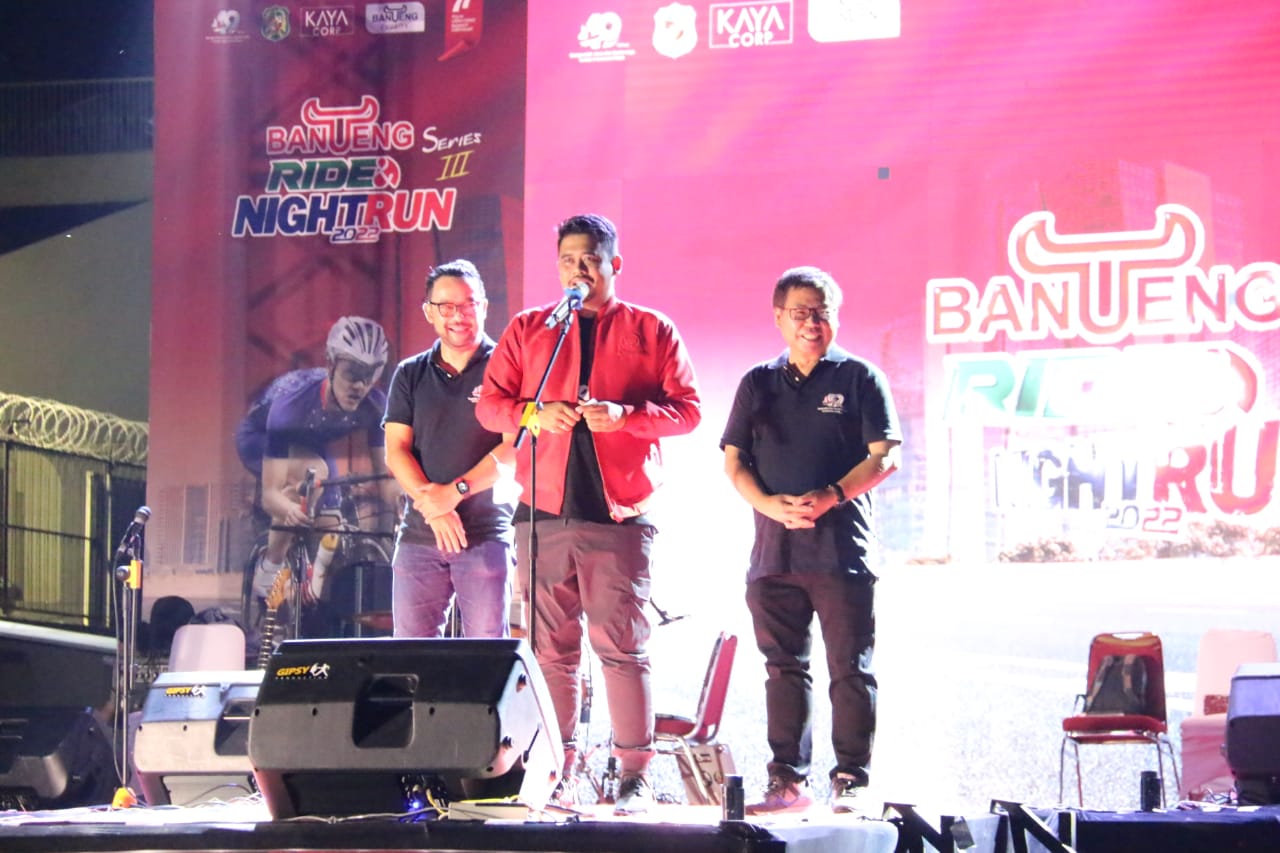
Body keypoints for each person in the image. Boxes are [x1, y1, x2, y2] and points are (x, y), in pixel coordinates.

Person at [476, 213, 701, 815]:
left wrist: (627, 416)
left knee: (621, 647)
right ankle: (560, 767)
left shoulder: (652, 328)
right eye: (568, 260)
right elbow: (490, 406)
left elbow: (689, 411)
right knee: (551, 651)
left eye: (590, 260)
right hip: (543, 514)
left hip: (619, 515)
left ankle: (633, 773)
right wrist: (532, 414)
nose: (578, 270)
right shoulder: (530, 329)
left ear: (613, 264)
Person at [720, 266, 902, 815]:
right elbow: (734, 463)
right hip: (773, 557)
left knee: (851, 669)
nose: (811, 323)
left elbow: (886, 456)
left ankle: (851, 779)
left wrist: (831, 496)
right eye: (800, 313)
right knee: (784, 670)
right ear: (779, 318)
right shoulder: (758, 383)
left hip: (842, 553)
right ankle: (786, 782)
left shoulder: (860, 377)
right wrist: (767, 504)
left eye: (822, 313)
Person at [236, 316, 399, 643]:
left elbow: (386, 477)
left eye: (370, 375)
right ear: (330, 365)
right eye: (352, 373)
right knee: (312, 478)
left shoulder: (375, 405)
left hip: (312, 442)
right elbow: (271, 495)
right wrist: (288, 510)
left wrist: (405, 511)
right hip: (259, 438)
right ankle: (270, 567)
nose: (360, 386)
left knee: (332, 521)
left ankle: (313, 597)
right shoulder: (291, 405)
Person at [382, 260, 516, 638]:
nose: (458, 316)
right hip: (420, 534)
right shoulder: (409, 373)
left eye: (468, 304)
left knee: (485, 653)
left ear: (484, 307)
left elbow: (513, 450)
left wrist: (455, 493)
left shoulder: (507, 369)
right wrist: (435, 507)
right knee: (411, 656)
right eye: (446, 306)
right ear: (429, 312)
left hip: (486, 533)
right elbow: (396, 450)